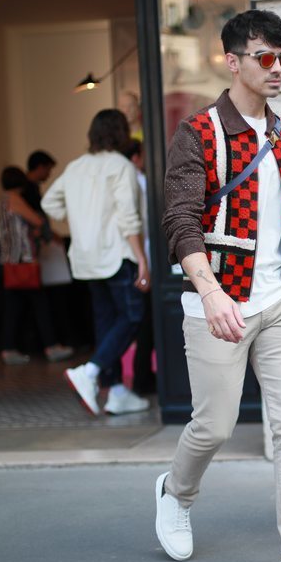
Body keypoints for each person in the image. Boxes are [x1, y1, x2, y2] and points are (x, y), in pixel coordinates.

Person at [156, 9, 281, 562]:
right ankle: (175, 492)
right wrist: (210, 293)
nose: (278, 68)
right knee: (212, 426)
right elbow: (180, 222)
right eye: (266, 58)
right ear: (232, 61)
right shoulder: (200, 133)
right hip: (219, 301)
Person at [41, 110, 152, 416]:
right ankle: (89, 373)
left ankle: (116, 390)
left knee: (106, 322)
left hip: (85, 258)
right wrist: (142, 259)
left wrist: (77, 218)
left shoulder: (75, 167)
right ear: (120, 133)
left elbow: (49, 202)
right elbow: (129, 218)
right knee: (132, 316)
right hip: (116, 254)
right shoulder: (120, 166)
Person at [0, 166, 73, 365]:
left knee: (13, 306)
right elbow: (37, 220)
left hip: (9, 261)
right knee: (40, 304)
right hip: (24, 259)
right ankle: (51, 347)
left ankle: (9, 348)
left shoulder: (3, 202)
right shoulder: (15, 200)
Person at [120, 139, 157, 395]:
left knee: (140, 321)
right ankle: (143, 377)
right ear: (135, 157)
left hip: (128, 258)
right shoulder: (137, 180)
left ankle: (141, 376)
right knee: (144, 322)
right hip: (141, 258)